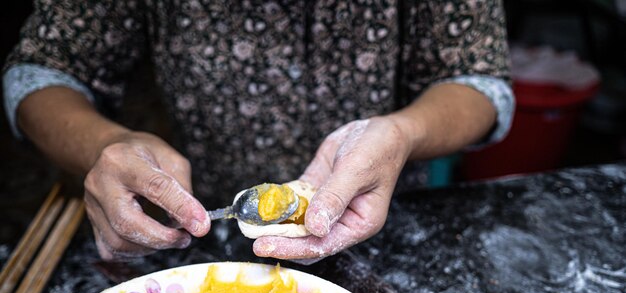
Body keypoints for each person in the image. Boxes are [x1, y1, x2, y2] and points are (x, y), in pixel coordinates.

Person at [3, 0, 514, 263]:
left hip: (379, 218)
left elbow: (479, 79)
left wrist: (404, 132)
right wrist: (104, 145)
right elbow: (38, 71)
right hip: (198, 229)